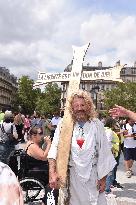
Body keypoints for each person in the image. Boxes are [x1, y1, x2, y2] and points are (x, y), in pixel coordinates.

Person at [48, 90, 116, 205]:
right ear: (72, 108)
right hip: (73, 177)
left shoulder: (96, 124)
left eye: (82, 105)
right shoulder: (64, 125)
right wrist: (52, 173)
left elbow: (104, 152)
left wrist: (103, 179)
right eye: (76, 105)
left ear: (88, 106)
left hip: (94, 177)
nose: (79, 108)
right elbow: (54, 148)